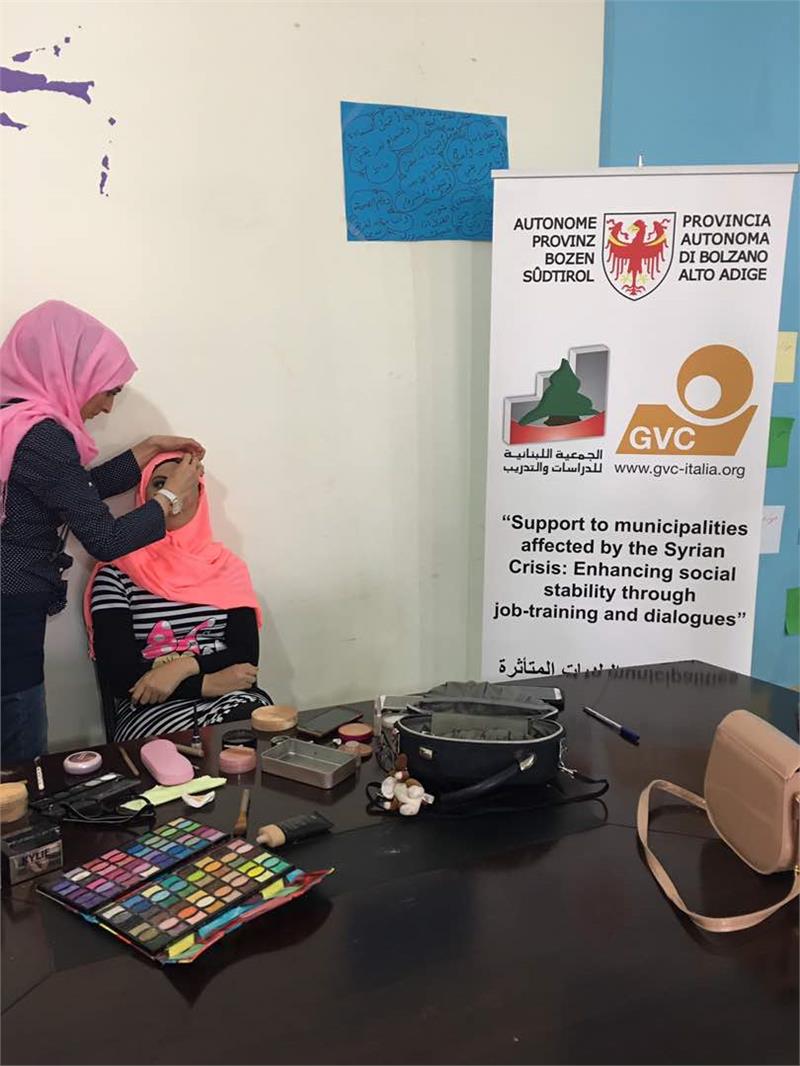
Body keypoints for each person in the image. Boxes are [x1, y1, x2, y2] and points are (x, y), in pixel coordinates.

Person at [0, 300, 203, 765]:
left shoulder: (13, 420)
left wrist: (146, 450)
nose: (108, 406)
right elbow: (104, 539)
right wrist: (169, 500)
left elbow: (71, 489)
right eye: (109, 391)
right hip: (9, 610)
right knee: (21, 751)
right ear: (69, 369)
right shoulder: (41, 435)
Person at [85, 452, 271, 740]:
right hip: (148, 711)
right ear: (144, 496)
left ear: (200, 494)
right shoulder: (117, 573)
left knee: (250, 724)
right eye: (160, 484)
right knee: (225, 741)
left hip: (233, 700)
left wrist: (181, 668)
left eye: (185, 483)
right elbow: (121, 675)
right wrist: (207, 683)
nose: (174, 493)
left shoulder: (227, 568)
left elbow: (245, 660)